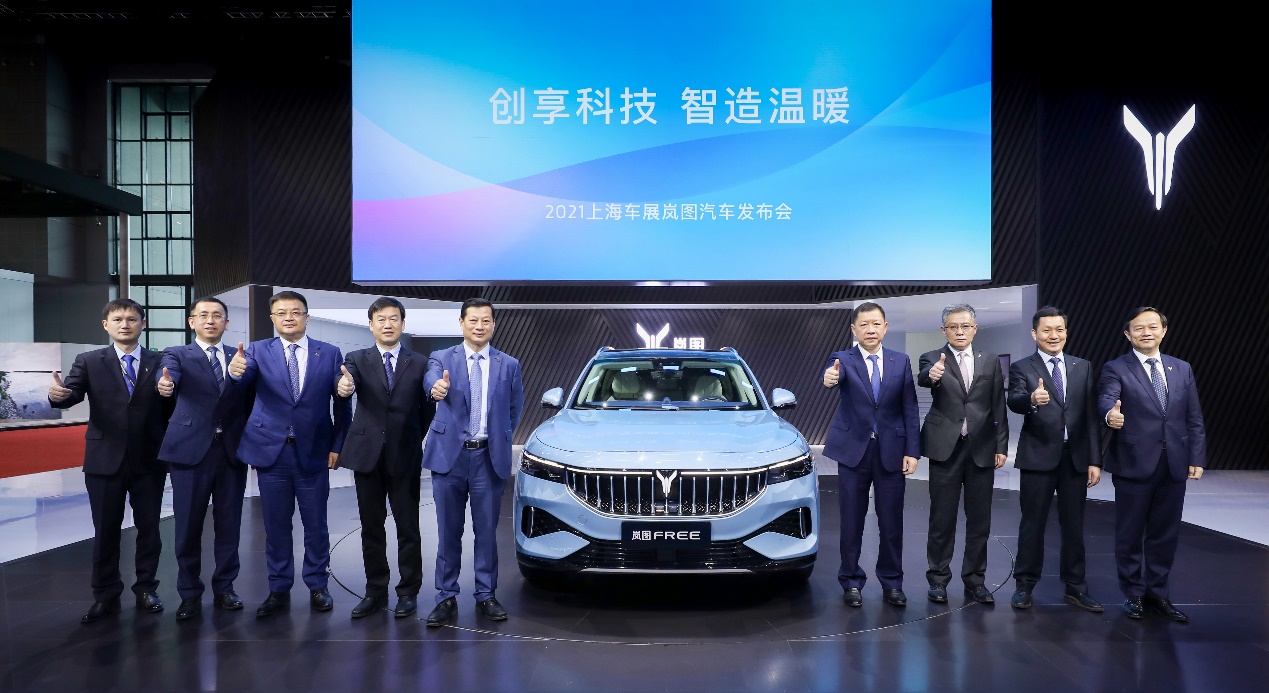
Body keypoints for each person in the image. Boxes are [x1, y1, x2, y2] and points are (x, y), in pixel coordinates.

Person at [227, 290, 352, 617]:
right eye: (281, 313)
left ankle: (318, 585)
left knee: (316, 524)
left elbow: (342, 401)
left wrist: (338, 445)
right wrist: (235, 372)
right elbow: (242, 383)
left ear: (306, 317)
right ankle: (279, 588)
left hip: (314, 451)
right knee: (276, 525)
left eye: (296, 312)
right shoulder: (257, 350)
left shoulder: (329, 353)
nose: (289, 318)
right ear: (272, 318)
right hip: (272, 452)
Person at [48, 298, 169, 623]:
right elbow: (71, 393)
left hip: (149, 459)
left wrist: (169, 391)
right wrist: (57, 396)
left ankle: (146, 588)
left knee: (149, 529)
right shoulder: (89, 360)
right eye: (118, 319)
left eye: (131, 319)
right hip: (104, 460)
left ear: (143, 324)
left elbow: (170, 406)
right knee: (105, 531)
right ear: (106, 325)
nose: (125, 324)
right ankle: (105, 594)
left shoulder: (160, 361)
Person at [1099, 307, 1205, 623]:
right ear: (1127, 334)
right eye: (1139, 328)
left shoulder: (1182, 368)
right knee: (1130, 533)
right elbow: (1107, 398)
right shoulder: (1116, 368)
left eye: (1153, 326)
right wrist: (1110, 414)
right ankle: (1133, 593)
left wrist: (1196, 456)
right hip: (1133, 462)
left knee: (1165, 533)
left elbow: (1194, 417)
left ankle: (1158, 593)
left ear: (1164, 331)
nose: (1146, 332)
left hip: (1174, 462)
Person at [422, 298, 523, 626]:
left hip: (488, 458)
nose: (480, 326)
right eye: (473, 320)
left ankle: (485, 594)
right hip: (449, 458)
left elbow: (514, 410)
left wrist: (498, 438)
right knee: (448, 531)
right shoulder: (442, 358)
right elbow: (431, 381)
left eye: (486, 321)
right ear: (461, 323)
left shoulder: (509, 364)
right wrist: (436, 388)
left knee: (487, 532)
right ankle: (445, 596)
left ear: (493, 324)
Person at [335, 297, 435, 619]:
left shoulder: (420, 363)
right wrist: (344, 386)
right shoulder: (356, 359)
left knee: (409, 528)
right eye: (381, 319)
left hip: (405, 455)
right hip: (367, 456)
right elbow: (346, 384)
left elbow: (427, 410)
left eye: (394, 319)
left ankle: (408, 592)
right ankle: (375, 591)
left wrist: (410, 437)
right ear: (371, 325)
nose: (388, 324)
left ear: (403, 324)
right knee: (371, 528)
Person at [155, 296, 253, 620]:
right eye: (204, 315)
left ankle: (225, 588)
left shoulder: (240, 356)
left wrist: (240, 375)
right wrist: (165, 384)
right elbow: (168, 377)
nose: (210, 320)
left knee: (229, 525)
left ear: (226, 322)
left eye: (217, 316)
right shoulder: (177, 354)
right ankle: (189, 594)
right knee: (187, 526)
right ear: (192, 322)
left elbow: (250, 397)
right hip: (190, 451)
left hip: (231, 452)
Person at [821, 302, 921, 608]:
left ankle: (892, 583)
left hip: (892, 451)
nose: (870, 329)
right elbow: (832, 376)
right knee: (851, 522)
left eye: (876, 324)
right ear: (854, 329)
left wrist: (913, 451)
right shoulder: (843, 359)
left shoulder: (900, 361)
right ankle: (851, 581)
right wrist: (829, 378)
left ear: (886, 327)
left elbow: (909, 407)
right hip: (854, 452)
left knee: (891, 524)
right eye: (864, 324)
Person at [1005, 306, 1103, 612]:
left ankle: (1076, 586)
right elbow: (1014, 399)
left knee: (1074, 526)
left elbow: (1090, 415)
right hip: (1038, 457)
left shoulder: (1082, 366)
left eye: (1059, 329)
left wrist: (1095, 459)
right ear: (1034, 334)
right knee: (1032, 525)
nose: (1053, 335)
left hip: (1075, 459)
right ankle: (1024, 585)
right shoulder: (1022, 367)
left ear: (1066, 333)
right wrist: (1031, 399)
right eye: (1046, 330)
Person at [917, 303, 1008, 604]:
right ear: (943, 330)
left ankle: (975, 580)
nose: (959, 331)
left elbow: (998, 406)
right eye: (953, 327)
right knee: (941, 519)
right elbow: (924, 377)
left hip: (981, 448)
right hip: (945, 448)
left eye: (965, 326)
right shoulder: (932, 357)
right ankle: (938, 579)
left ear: (974, 329)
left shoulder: (990, 360)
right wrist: (933, 374)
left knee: (979, 521)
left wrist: (1001, 445)